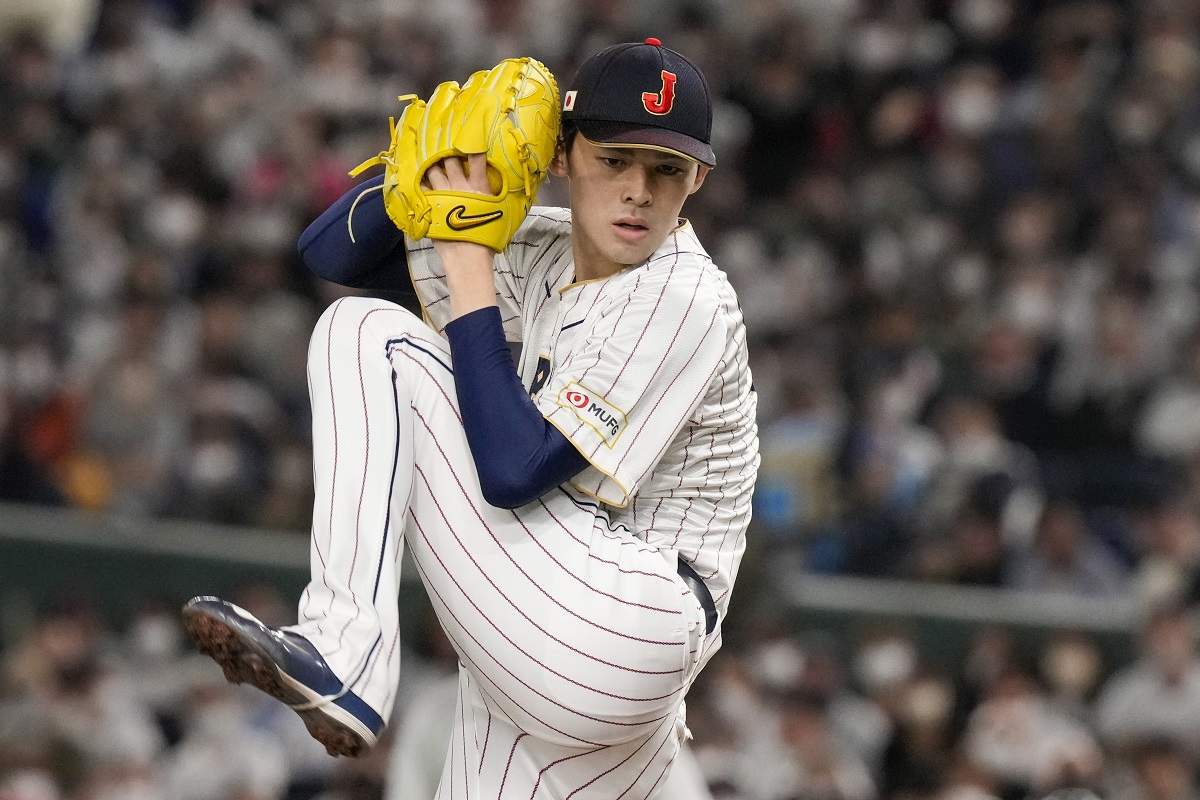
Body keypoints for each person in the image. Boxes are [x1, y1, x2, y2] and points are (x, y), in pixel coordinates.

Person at [182, 38, 758, 798]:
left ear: (699, 180)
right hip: (548, 641)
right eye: (614, 160)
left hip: (627, 623)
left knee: (368, 336)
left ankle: (346, 651)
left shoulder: (682, 293)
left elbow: (513, 472)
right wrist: (434, 173)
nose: (639, 191)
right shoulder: (546, 251)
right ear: (561, 155)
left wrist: (466, 253)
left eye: (666, 170)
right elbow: (331, 254)